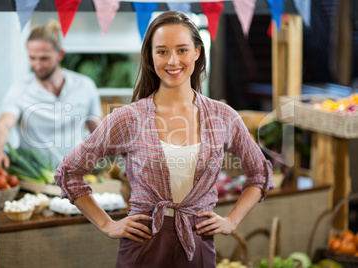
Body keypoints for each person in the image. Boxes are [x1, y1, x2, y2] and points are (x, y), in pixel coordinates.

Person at [54, 11, 274, 268]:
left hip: (198, 245)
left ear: (197, 52)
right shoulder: (128, 118)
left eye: (182, 50)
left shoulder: (223, 116)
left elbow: (259, 173)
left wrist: (231, 221)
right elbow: (70, 172)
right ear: (150, 56)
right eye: (162, 51)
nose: (173, 61)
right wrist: (107, 224)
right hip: (143, 244)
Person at [0, 20, 102, 169]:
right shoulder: (20, 89)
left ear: (60, 54)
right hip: (37, 177)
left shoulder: (85, 86)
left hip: (77, 173)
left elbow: (98, 130)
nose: (37, 65)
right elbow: (4, 125)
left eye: (44, 58)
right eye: (32, 58)